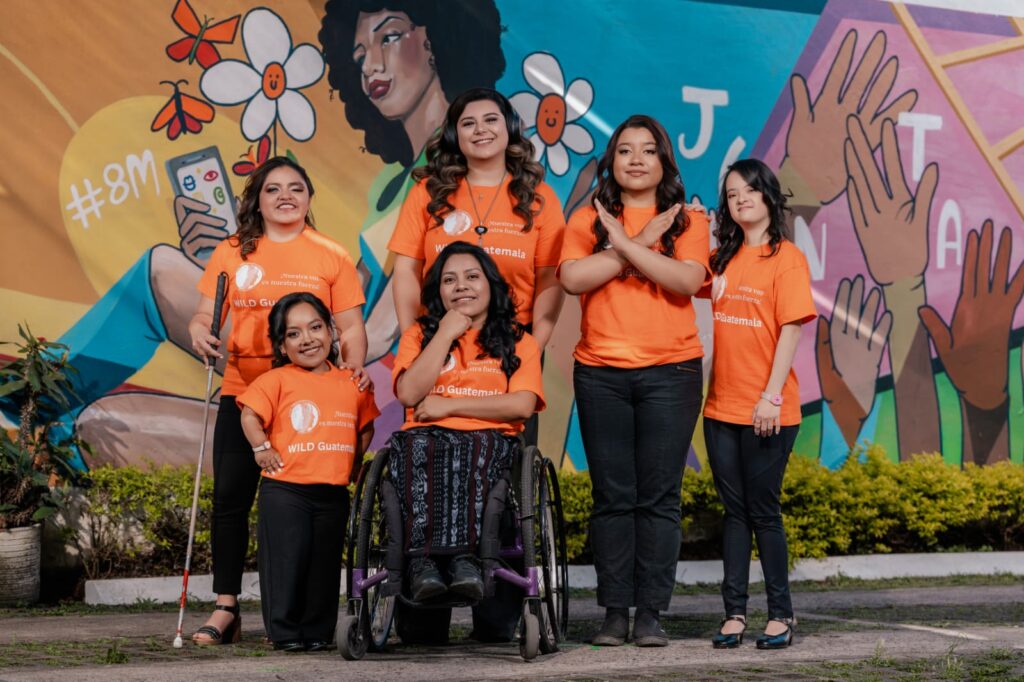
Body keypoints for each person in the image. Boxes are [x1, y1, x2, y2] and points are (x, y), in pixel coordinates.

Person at [188, 157, 368, 645]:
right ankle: (226, 607)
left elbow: (350, 326)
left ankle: (303, 616)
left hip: (309, 402)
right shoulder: (232, 252)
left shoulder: (331, 255)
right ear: (257, 200)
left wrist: (351, 367)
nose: (285, 196)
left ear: (309, 197)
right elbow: (204, 314)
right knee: (230, 499)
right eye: (273, 189)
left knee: (303, 508)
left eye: (295, 188)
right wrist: (200, 333)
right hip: (244, 389)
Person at [558, 115, 709, 647]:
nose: (637, 159)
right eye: (625, 150)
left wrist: (624, 247)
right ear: (612, 161)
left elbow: (685, 280)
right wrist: (637, 240)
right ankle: (614, 612)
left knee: (660, 498)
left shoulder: (689, 221)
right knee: (613, 497)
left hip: (672, 372)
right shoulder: (588, 218)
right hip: (601, 373)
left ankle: (651, 613)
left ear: (665, 160)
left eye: (649, 150)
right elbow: (573, 279)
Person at [319, 0, 505, 360]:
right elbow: (357, 295)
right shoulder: (390, 182)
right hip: (367, 356)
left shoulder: (465, 162)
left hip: (433, 360)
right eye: (360, 56)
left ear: (435, 39)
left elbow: (385, 326)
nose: (371, 66)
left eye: (388, 37)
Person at [388, 241, 544, 624]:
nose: (462, 286)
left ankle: (463, 559)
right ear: (437, 292)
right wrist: (443, 335)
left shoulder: (518, 339)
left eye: (472, 277)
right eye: (450, 280)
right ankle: (423, 564)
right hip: (425, 440)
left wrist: (450, 406)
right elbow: (408, 393)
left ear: (491, 284)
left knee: (473, 447)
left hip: (491, 440)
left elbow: (522, 405)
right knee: (414, 446)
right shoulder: (419, 336)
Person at [703, 159, 816, 650]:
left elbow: (790, 329)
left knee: (763, 512)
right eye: (732, 194)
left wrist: (770, 397)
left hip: (768, 409)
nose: (742, 198)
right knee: (734, 513)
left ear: (769, 196)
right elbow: (684, 275)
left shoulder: (786, 257)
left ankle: (781, 614)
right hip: (720, 409)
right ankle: (733, 613)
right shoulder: (722, 258)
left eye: (750, 189)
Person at [237, 292, 378, 651]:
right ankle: (284, 633)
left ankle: (317, 632)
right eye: (294, 334)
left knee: (324, 566)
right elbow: (249, 415)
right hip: (286, 490)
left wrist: (355, 462)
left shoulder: (353, 381)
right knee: (287, 562)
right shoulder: (276, 380)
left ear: (332, 332)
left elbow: (365, 426)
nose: (308, 339)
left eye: (315, 328)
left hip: (332, 493)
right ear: (282, 346)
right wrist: (261, 448)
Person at [388, 87, 565, 354]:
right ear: (454, 135)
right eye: (468, 123)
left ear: (510, 128)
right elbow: (406, 271)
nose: (481, 129)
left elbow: (550, 279)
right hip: (438, 341)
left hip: (513, 344)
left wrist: (533, 348)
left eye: (491, 120)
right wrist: (413, 341)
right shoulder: (428, 191)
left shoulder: (539, 197)